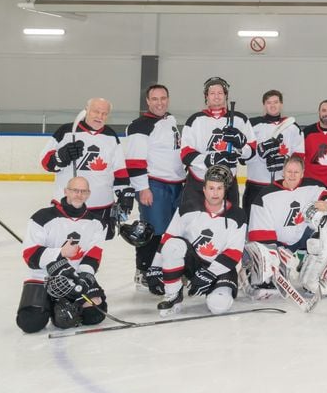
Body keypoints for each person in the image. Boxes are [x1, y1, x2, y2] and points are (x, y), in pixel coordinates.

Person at [145, 164, 247, 317]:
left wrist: (209, 273)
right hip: (193, 263)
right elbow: (168, 238)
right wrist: (155, 267)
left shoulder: (237, 215)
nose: (215, 193)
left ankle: (216, 293)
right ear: (204, 189)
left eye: (219, 188)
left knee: (218, 306)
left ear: (225, 190)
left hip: (220, 269)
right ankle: (173, 295)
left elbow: (234, 253)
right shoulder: (187, 208)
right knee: (173, 245)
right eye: (211, 188)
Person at [242, 156, 327, 301]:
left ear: (303, 173)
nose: (292, 175)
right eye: (289, 171)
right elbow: (260, 235)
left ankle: (317, 275)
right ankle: (254, 269)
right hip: (278, 244)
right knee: (268, 282)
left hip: (302, 237)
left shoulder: (313, 186)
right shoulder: (265, 196)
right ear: (283, 172)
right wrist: (274, 259)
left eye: (296, 172)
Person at [16, 177, 108, 333]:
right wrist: (60, 253)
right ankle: (51, 302)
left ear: (88, 194)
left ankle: (60, 304)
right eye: (74, 190)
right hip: (42, 275)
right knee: (30, 322)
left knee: (94, 315)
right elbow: (30, 255)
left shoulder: (97, 223)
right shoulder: (42, 217)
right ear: (65, 191)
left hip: (75, 276)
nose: (79, 195)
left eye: (83, 191)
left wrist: (85, 277)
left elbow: (93, 255)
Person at [40, 96, 132, 238]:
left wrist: (124, 193)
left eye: (104, 113)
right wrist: (61, 156)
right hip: (68, 205)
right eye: (96, 111)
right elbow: (45, 163)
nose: (100, 116)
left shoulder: (111, 136)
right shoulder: (66, 131)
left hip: (102, 206)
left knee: (94, 251)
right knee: (64, 247)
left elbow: (119, 170)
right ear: (86, 110)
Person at [125, 84, 184, 287]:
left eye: (163, 98)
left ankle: (165, 268)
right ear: (148, 102)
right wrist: (142, 187)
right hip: (155, 185)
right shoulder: (140, 125)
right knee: (152, 231)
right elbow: (134, 161)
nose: (160, 102)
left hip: (176, 184)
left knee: (173, 232)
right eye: (155, 99)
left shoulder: (170, 120)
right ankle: (144, 271)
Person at [179, 76, 256, 207]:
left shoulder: (240, 119)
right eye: (212, 93)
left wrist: (239, 147)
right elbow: (186, 154)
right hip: (198, 183)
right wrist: (211, 159)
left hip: (228, 183)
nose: (216, 96)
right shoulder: (195, 120)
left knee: (229, 225)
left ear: (226, 96)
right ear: (206, 96)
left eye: (220, 93)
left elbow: (251, 153)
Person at [245, 89, 305, 216]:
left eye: (276, 102)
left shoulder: (292, 126)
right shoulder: (252, 125)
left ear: (281, 104)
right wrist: (258, 152)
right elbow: (243, 155)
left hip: (282, 183)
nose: (272, 105)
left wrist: (285, 160)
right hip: (255, 184)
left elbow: (299, 155)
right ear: (264, 105)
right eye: (269, 102)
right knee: (251, 222)